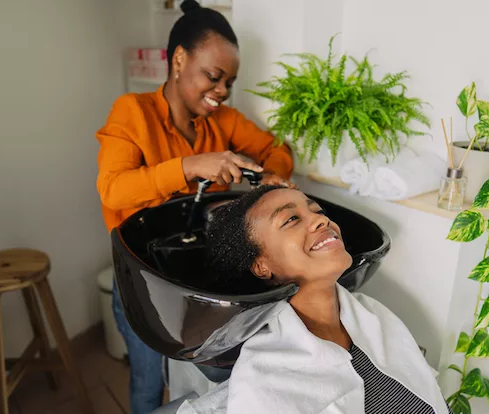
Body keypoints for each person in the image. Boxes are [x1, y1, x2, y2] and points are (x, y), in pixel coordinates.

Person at [95, 0, 294, 411]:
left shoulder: (223, 122)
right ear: (180, 59)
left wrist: (272, 175)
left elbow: (276, 148)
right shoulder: (132, 113)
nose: (221, 91)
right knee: (149, 381)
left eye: (229, 82)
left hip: (192, 276)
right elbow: (113, 190)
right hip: (142, 281)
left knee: (201, 377)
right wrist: (189, 166)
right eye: (214, 76)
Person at [178, 186, 453, 414]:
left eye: (317, 211)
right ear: (262, 266)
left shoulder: (376, 315)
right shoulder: (265, 379)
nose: (322, 220)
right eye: (291, 219)